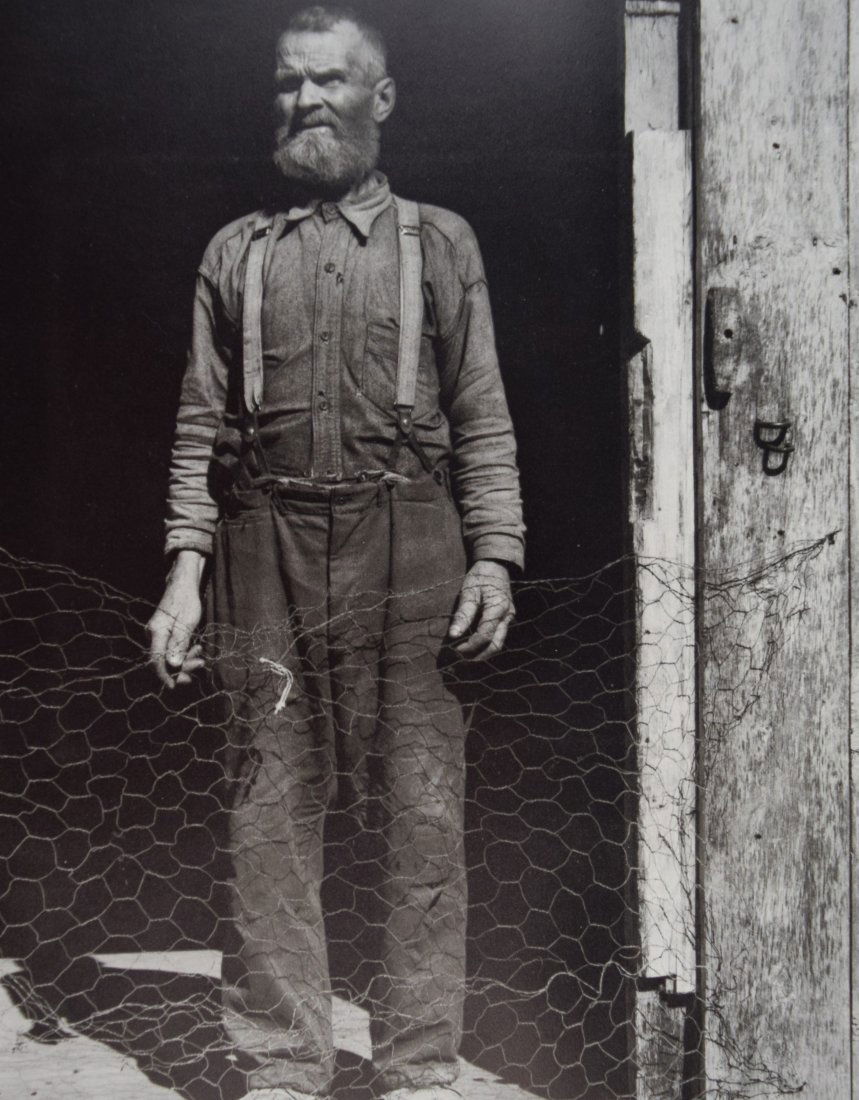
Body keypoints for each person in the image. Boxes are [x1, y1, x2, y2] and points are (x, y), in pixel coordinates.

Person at [147, 6, 525, 1099]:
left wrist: (495, 555)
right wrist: (183, 569)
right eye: (287, 83)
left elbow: (484, 414)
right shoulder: (236, 252)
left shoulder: (440, 243)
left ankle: (415, 1068)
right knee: (265, 810)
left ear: (381, 97)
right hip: (262, 544)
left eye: (329, 80)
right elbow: (196, 427)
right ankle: (280, 1062)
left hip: (413, 541)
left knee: (421, 811)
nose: (306, 101)